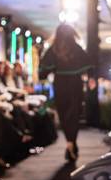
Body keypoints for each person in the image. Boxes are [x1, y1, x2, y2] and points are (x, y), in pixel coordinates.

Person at [39, 24, 94, 162]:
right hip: (75, 84)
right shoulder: (76, 48)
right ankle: (72, 143)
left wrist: (43, 75)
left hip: (60, 84)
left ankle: (70, 143)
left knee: (64, 115)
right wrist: (91, 78)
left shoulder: (54, 49)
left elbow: (43, 71)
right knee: (73, 115)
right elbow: (89, 64)